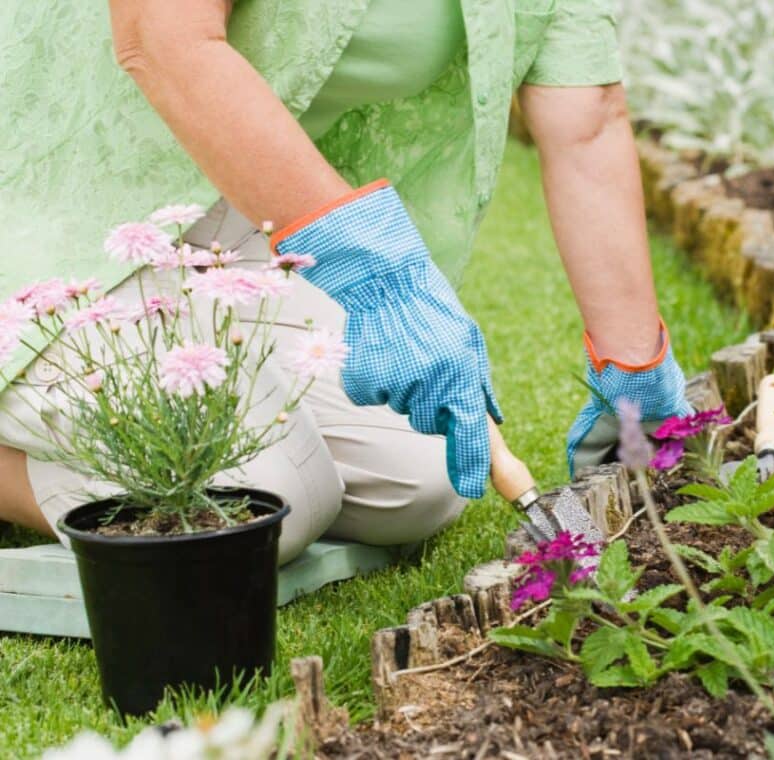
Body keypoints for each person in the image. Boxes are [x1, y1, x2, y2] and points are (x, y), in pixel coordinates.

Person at [0, 0, 691, 562]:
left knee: (421, 483)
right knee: (260, 503)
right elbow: (159, 34)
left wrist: (635, 371)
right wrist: (372, 268)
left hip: (228, 220)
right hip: (43, 207)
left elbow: (588, 117)